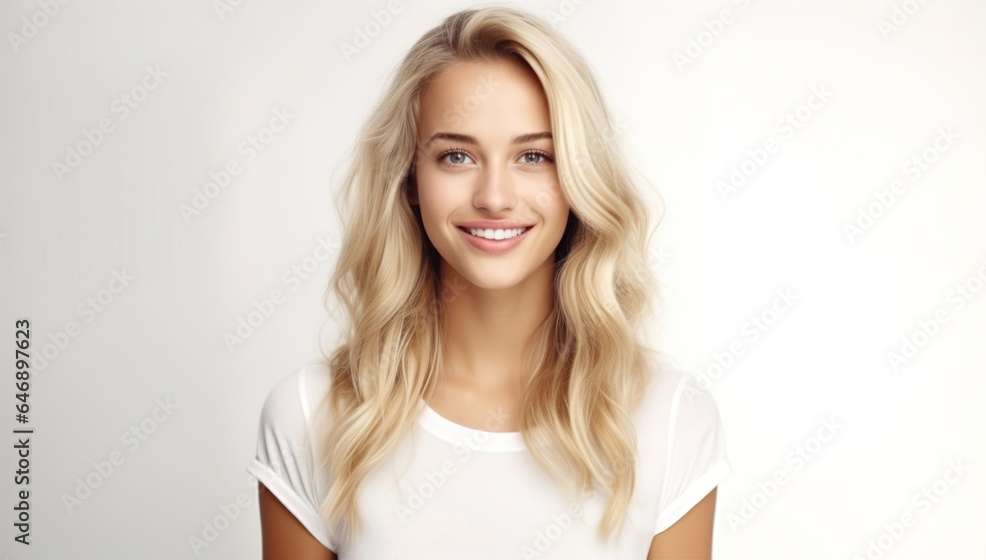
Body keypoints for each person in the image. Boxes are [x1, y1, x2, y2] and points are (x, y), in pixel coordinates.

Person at [246, 5, 731, 559]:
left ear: (579, 177)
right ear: (409, 178)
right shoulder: (312, 415)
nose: (494, 198)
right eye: (456, 156)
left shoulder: (671, 419)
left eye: (534, 156)